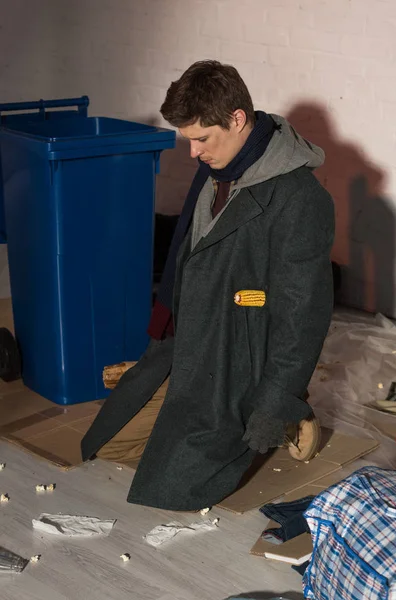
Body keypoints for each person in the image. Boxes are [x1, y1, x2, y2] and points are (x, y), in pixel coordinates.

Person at [81, 60, 335, 511]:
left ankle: (293, 410)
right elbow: (187, 255)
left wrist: (275, 401)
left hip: (239, 354)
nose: (193, 153)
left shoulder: (301, 199)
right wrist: (163, 331)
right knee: (110, 443)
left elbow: (302, 313)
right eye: (188, 140)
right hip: (192, 339)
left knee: (177, 485)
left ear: (237, 119)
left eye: (201, 139)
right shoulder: (218, 165)